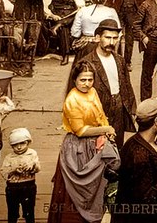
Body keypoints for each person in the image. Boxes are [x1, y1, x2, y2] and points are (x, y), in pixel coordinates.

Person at [48, 61, 120, 223]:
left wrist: (106, 129)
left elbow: (101, 115)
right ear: (74, 80)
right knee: (75, 194)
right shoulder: (72, 100)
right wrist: (105, 130)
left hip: (95, 145)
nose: (87, 84)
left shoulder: (93, 92)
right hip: (77, 149)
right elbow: (80, 131)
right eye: (83, 80)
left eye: (90, 79)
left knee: (96, 190)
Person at [68, 18, 136, 147]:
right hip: (97, 109)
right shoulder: (87, 63)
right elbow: (75, 92)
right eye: (108, 37)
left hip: (118, 108)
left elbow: (126, 85)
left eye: (115, 38)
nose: (111, 42)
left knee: (117, 147)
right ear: (98, 38)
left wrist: (131, 108)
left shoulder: (119, 60)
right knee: (96, 148)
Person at [44, 0, 85, 65]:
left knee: (75, 16)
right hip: (59, 17)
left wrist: (77, 11)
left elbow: (81, 5)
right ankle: (65, 55)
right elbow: (45, 8)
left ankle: (58, 26)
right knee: (64, 28)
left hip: (72, 16)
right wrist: (52, 16)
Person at [1, 127, 39, 223]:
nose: (19, 147)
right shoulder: (9, 157)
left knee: (29, 212)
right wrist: (13, 170)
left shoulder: (32, 154)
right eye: (15, 145)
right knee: (12, 212)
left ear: (28, 142)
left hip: (29, 186)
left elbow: (38, 167)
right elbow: (3, 172)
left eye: (22, 143)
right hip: (13, 188)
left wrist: (32, 166)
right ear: (11, 145)